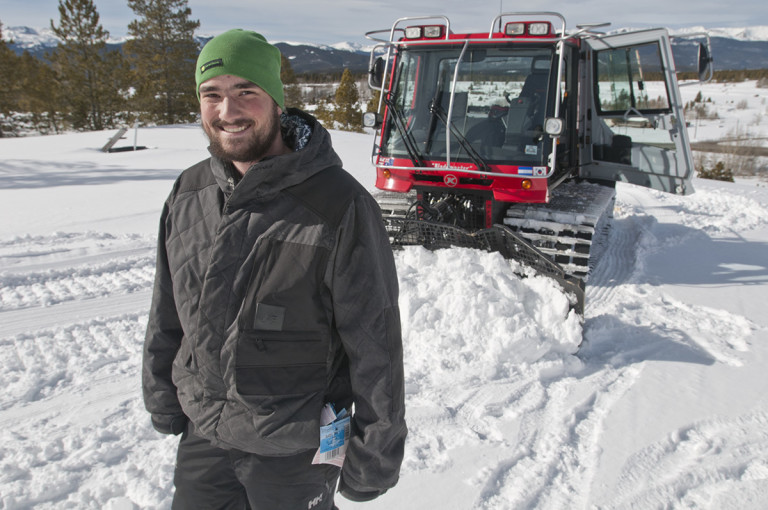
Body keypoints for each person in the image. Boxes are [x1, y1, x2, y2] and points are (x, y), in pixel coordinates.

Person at [142, 29, 407, 510]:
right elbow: (168, 309)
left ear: (276, 101)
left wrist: (374, 458)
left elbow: (376, 345)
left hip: (295, 451)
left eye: (246, 91)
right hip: (206, 434)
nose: (228, 111)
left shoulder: (340, 204)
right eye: (212, 94)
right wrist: (163, 396)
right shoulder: (189, 193)